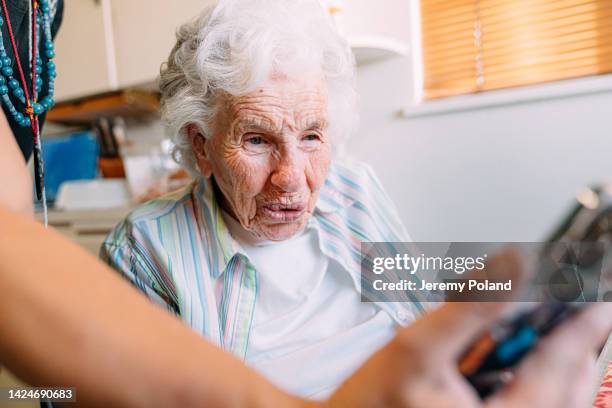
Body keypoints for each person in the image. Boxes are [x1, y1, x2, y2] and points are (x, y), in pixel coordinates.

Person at [101, 0, 426, 398]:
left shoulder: (355, 187)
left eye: (310, 136)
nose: (290, 178)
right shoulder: (144, 249)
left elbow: (422, 303)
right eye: (256, 139)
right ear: (201, 146)